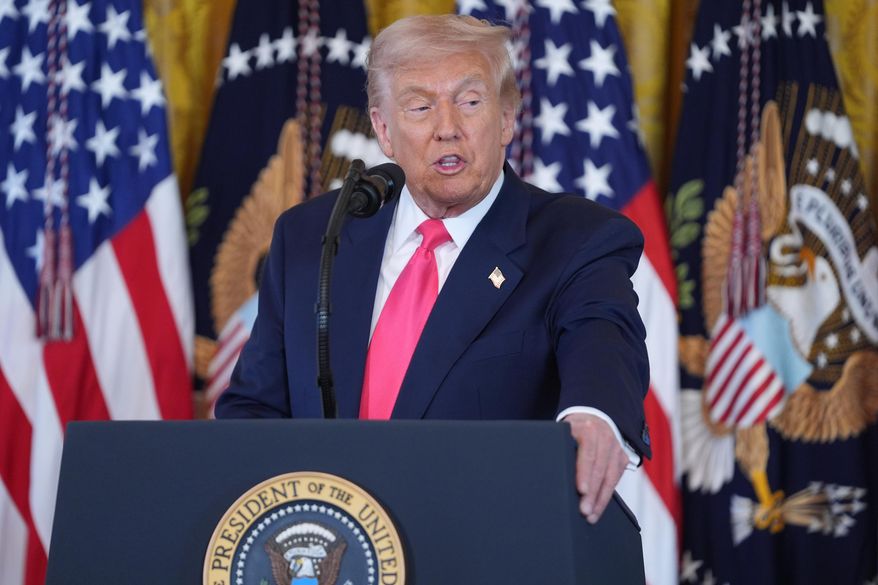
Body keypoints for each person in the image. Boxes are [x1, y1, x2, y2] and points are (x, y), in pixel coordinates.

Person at [216, 14, 651, 525]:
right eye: (420, 107)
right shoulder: (312, 237)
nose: (447, 128)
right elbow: (254, 413)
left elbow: (604, 340)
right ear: (383, 130)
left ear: (507, 118)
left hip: (486, 544)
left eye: (469, 102)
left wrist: (593, 415)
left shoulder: (577, 239)